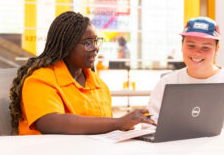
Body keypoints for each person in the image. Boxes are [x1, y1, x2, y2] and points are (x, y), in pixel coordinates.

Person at [9, 11, 155, 135]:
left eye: (96, 41)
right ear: (66, 46)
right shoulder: (40, 80)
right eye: (87, 43)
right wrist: (118, 122)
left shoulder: (98, 84)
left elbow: (104, 127)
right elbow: (50, 123)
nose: (95, 48)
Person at [148, 17, 224, 128]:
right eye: (191, 46)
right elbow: (151, 127)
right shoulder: (166, 84)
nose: (196, 53)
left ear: (217, 49)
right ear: (182, 46)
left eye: (205, 47)